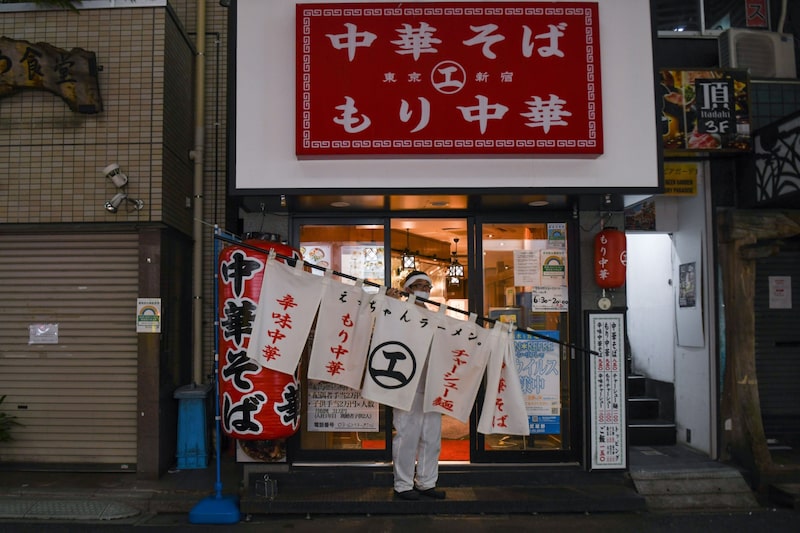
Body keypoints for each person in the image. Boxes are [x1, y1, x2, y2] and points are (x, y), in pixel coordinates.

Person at [387, 270, 446, 501]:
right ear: (407, 288)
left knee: (431, 434)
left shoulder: (434, 315)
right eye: (419, 285)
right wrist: (390, 304)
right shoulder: (398, 309)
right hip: (406, 381)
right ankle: (402, 484)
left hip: (430, 381)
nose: (424, 290)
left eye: (427, 287)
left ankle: (426, 482)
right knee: (407, 432)